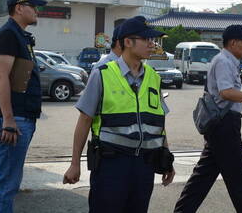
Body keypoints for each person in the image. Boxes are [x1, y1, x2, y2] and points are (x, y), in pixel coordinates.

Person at [63, 16, 175, 212]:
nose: (152, 44)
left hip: (144, 167)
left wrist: (167, 158)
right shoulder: (102, 74)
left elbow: (158, 124)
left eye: (153, 40)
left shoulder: (154, 78)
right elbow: (85, 120)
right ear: (128, 42)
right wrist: (75, 164)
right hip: (110, 166)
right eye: (146, 39)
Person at [174, 25, 242, 213]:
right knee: (239, 179)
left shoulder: (226, 60)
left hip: (221, 126)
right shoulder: (224, 61)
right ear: (233, 43)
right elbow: (226, 92)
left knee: (202, 178)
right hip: (224, 126)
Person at [0, 0, 47, 213]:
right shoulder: (8, 35)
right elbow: (0, 77)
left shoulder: (19, 35)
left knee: (10, 182)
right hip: (12, 122)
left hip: (22, 118)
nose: (37, 10)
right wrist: (8, 120)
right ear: (19, 8)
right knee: (5, 183)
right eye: (33, 6)